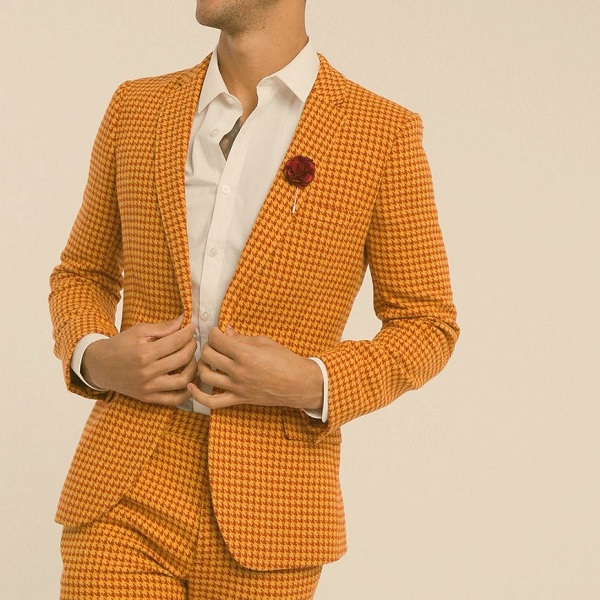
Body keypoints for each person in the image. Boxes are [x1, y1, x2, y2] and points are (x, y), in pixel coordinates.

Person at [49, 0, 459, 597]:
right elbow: (82, 272)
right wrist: (93, 355)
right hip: (125, 482)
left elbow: (427, 322)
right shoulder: (137, 107)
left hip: (273, 509)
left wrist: (312, 381)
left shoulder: (381, 132)